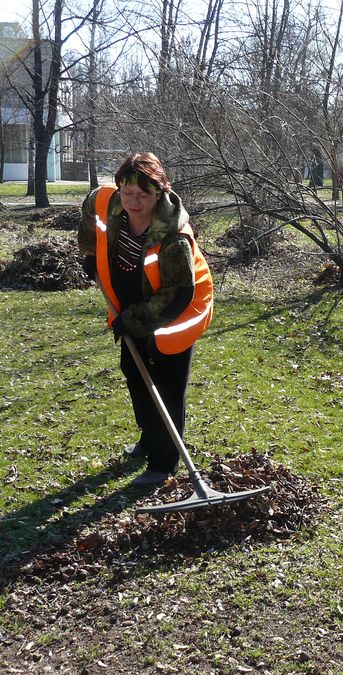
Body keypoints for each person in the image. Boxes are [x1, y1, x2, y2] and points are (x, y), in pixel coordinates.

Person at [78, 153, 214, 486]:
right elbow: (89, 225)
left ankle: (163, 463)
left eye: (143, 195)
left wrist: (134, 321)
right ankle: (149, 438)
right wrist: (89, 256)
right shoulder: (104, 201)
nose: (133, 202)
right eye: (128, 193)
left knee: (165, 382)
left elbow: (176, 296)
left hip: (177, 310)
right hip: (133, 302)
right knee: (134, 371)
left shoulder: (173, 237)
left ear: (159, 193)